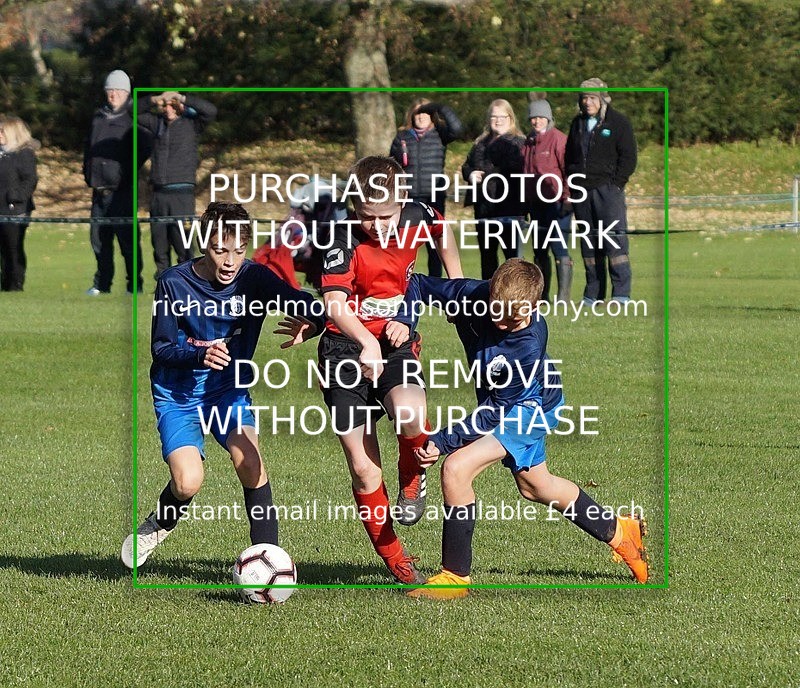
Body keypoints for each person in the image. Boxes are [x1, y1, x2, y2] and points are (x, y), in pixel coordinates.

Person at [385, 259, 648, 599]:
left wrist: (442, 440)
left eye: (512, 318)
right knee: (536, 487)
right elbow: (417, 283)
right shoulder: (477, 296)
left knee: (456, 468)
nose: (501, 322)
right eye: (496, 312)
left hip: (528, 406)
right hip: (509, 402)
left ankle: (454, 577)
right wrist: (406, 320)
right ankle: (620, 531)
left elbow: (496, 411)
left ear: (534, 307)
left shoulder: (527, 344)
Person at [121, 202, 325, 569]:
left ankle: (270, 563)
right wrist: (199, 356)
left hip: (228, 391)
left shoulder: (254, 278)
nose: (230, 261)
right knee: (187, 483)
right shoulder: (173, 282)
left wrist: (314, 324)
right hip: (178, 395)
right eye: (220, 250)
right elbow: (162, 349)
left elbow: (302, 302)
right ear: (204, 244)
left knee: (250, 463)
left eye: (238, 250)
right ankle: (158, 525)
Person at [318, 155, 462, 583]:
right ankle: (396, 558)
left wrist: (453, 284)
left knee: (411, 412)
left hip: (395, 343)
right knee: (363, 469)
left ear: (402, 201)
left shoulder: (418, 213)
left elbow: (442, 232)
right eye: (366, 216)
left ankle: (413, 480)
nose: (376, 226)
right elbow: (335, 306)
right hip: (344, 348)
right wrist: (364, 341)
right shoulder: (342, 240)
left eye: (385, 217)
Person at [564, 78, 637, 304]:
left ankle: (621, 294)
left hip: (608, 192)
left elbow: (629, 157)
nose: (588, 102)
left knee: (613, 241)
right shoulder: (576, 124)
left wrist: (616, 184)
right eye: (584, 98)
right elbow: (569, 157)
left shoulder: (618, 123)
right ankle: (592, 294)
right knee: (589, 243)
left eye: (593, 98)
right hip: (581, 193)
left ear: (603, 99)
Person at [138, 90, 217, 278]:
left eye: (172, 105)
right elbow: (130, 112)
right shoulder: (156, 124)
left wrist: (182, 97)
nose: (168, 109)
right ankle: (163, 284)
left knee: (184, 244)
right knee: (159, 244)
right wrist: (154, 99)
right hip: (158, 194)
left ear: (180, 106)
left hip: (182, 194)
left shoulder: (191, 124)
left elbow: (210, 111)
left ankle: (188, 283)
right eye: (165, 105)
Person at [83, 69, 144, 295]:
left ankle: (134, 284)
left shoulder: (133, 119)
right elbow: (87, 149)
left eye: (118, 90)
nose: (113, 95)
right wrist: (87, 173)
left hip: (122, 192)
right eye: (110, 90)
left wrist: (125, 174)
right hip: (98, 192)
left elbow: (142, 150)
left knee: (128, 242)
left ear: (126, 93)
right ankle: (102, 284)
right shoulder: (98, 117)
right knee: (99, 241)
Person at [390, 98, 464, 278]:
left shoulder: (440, 134)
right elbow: (391, 164)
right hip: (408, 196)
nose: (421, 116)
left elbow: (458, 129)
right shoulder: (402, 137)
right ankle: (401, 279)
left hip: (434, 196)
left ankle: (436, 281)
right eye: (418, 112)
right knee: (404, 241)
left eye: (426, 113)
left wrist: (439, 107)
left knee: (435, 243)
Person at [461, 99, 525, 280]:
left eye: (502, 116)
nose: (497, 120)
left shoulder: (519, 143)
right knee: (487, 257)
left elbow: (518, 170)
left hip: (509, 207)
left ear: (510, 118)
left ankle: (516, 296)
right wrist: (471, 173)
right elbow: (466, 166)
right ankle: (488, 296)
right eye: (493, 116)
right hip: (483, 208)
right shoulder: (480, 142)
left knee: (512, 258)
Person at [522, 97, 573, 302]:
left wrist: (568, 197)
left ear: (548, 118)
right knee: (539, 250)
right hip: (536, 204)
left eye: (541, 117)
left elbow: (568, 169)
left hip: (557, 202)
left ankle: (563, 297)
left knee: (559, 247)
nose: (537, 121)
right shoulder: (528, 142)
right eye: (533, 117)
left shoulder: (559, 139)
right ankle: (541, 296)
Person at [0, 115, 39, 292]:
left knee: (13, 250)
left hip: (15, 210)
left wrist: (15, 197)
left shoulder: (24, 154)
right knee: (3, 251)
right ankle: (5, 284)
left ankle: (15, 285)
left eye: (2, 131)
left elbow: (30, 180)